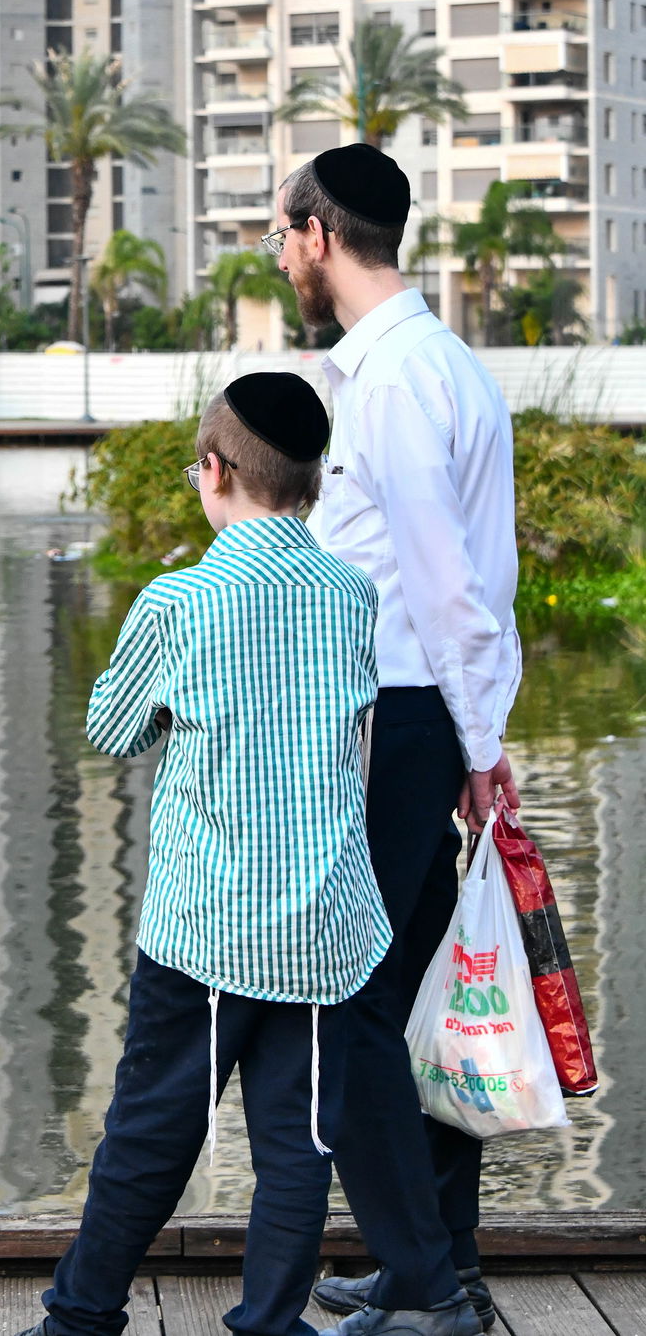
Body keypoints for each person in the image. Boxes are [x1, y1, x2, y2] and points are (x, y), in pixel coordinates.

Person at [16, 371, 396, 1336]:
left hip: (209, 926)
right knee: (297, 1145)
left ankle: (81, 1319)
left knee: (150, 1130)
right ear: (311, 481)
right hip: (323, 925)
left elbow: (111, 729)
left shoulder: (178, 602)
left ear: (215, 472)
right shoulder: (353, 596)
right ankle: (271, 1322)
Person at [267, 144, 521, 1336]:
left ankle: (425, 1284)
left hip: (393, 716)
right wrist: (479, 737)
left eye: (281, 232)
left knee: (353, 1006)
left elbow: (442, 583)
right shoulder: (444, 365)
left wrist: (475, 746)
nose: (279, 254)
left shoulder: (390, 384)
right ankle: (439, 1259)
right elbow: (483, 581)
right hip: (426, 719)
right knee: (419, 997)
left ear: (320, 234)